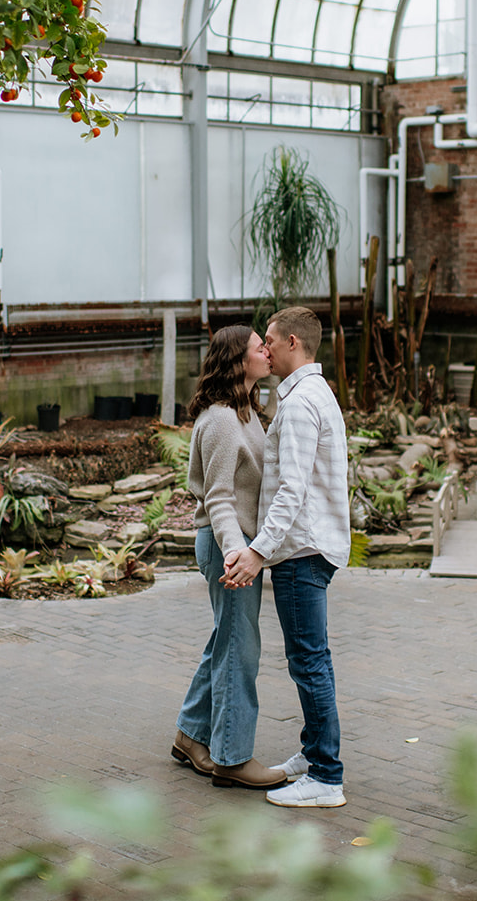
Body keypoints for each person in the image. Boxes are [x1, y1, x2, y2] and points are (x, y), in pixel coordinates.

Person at [222, 306, 350, 808]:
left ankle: (325, 777)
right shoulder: (313, 393)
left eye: (270, 340)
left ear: (292, 342)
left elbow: (291, 490)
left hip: (301, 550)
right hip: (312, 546)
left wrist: (257, 552)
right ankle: (314, 752)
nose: (265, 349)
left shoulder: (297, 405)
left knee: (309, 663)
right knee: (312, 660)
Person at [171, 324, 288, 790]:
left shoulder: (245, 412)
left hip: (233, 545)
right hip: (227, 546)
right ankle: (231, 757)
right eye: (260, 345)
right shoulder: (221, 419)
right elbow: (218, 498)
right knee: (240, 650)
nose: (267, 349)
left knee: (227, 639)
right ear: (239, 360)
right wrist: (238, 553)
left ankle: (189, 734)